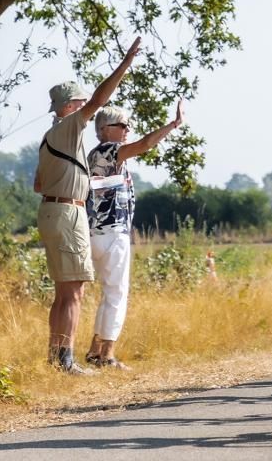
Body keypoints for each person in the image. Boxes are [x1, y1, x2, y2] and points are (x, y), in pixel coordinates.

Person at [34, 37, 141, 374]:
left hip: (53, 210)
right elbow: (100, 98)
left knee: (64, 292)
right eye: (80, 103)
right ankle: (65, 361)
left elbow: (38, 184)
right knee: (74, 292)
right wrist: (124, 64)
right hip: (67, 212)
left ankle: (57, 357)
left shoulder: (54, 137)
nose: (86, 108)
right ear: (70, 106)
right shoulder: (68, 127)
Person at [84, 98, 185, 368]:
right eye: (122, 125)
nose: (128, 129)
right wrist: (172, 125)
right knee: (117, 293)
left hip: (98, 232)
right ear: (105, 129)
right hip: (112, 232)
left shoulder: (96, 153)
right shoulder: (110, 150)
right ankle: (107, 355)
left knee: (109, 293)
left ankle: (96, 350)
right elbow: (145, 145)